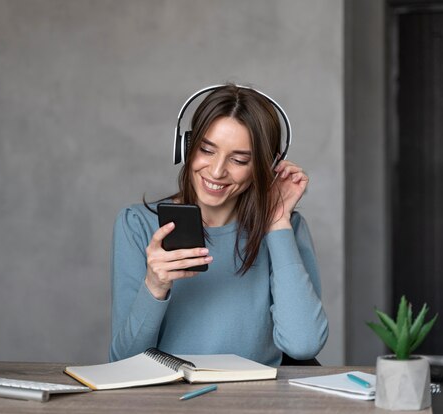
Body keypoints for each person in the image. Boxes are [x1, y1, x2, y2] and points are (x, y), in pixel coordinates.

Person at [109, 84, 328, 366]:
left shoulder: (287, 228)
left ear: (265, 166)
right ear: (185, 146)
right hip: (170, 404)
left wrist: (276, 224)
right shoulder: (137, 225)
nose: (216, 171)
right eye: (206, 150)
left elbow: (304, 344)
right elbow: (123, 362)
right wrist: (155, 284)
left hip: (256, 402)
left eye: (239, 160)